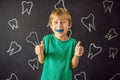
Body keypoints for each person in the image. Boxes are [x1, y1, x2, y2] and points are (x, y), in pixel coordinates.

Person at [35, 8, 84, 80]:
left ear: (69, 25)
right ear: (51, 25)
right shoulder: (47, 39)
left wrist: (76, 55)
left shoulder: (73, 43)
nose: (59, 25)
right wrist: (40, 53)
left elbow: (73, 65)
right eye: (55, 22)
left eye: (63, 22)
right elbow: (41, 61)